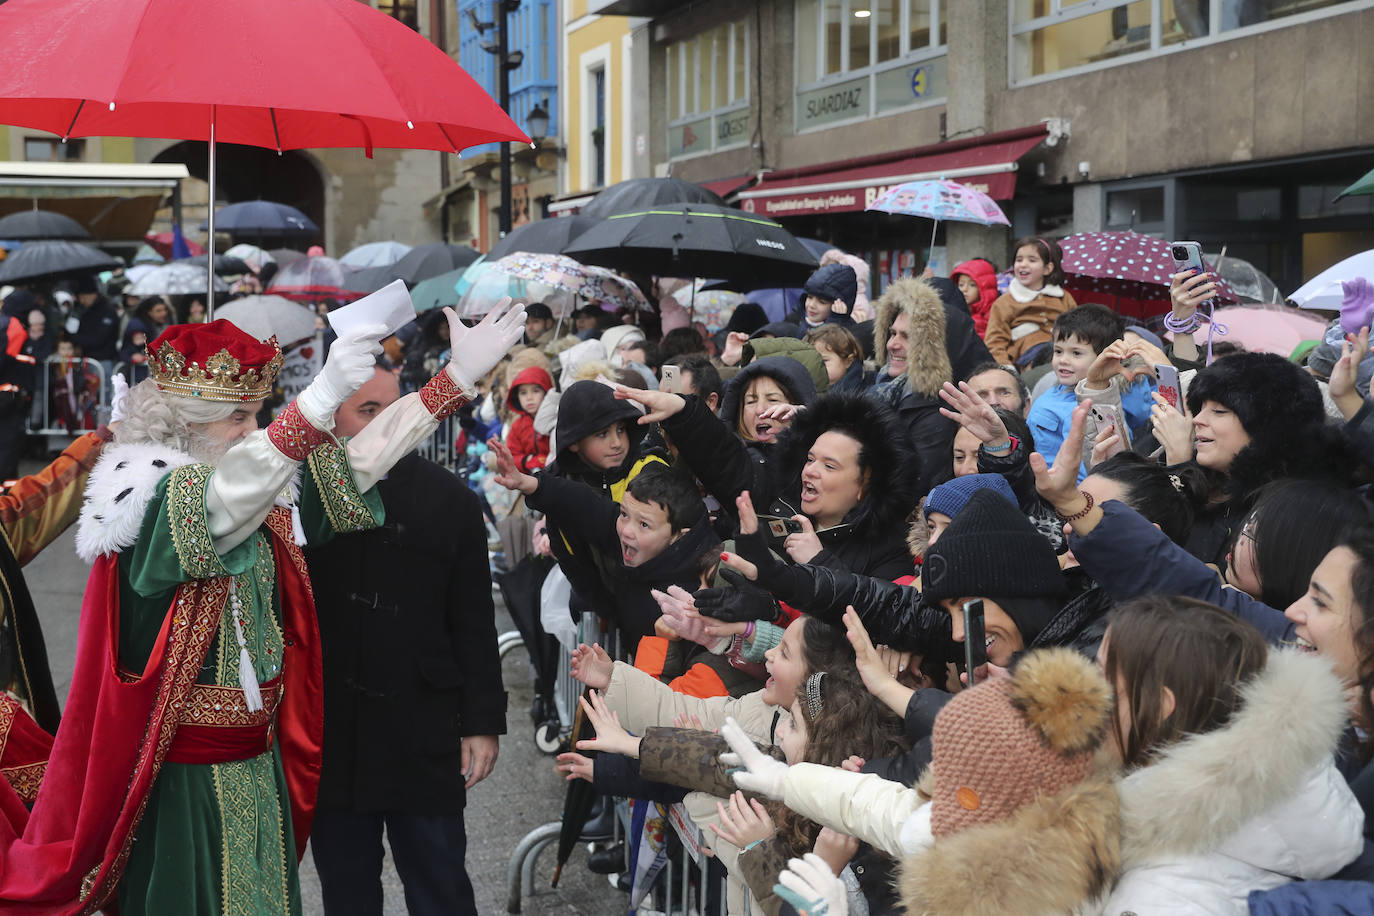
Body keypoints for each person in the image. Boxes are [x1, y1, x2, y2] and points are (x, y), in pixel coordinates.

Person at [0, 301, 524, 914]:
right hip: (184, 781)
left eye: (256, 415)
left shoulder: (253, 488)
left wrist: (451, 384)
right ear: (186, 425)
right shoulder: (151, 496)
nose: (252, 430)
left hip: (256, 758)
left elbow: (354, 465)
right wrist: (319, 398)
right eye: (237, 417)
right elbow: (231, 492)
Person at [304, 367, 506, 916]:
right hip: (335, 735)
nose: (386, 421)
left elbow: (473, 622)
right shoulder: (300, 497)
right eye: (368, 409)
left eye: (396, 406)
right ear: (331, 417)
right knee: (346, 895)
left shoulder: (451, 500)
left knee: (440, 887)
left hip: (425, 728)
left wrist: (482, 722)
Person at [718, 647, 1120, 916]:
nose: (938, 790)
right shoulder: (978, 827)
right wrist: (788, 781)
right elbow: (884, 808)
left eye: (959, 781)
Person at [1100, 597, 1363, 912]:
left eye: (1101, 677)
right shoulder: (1277, 801)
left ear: (1158, 707)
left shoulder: (1159, 899)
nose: (1081, 690)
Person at [869, 278, 992, 496]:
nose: (892, 344)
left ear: (934, 348)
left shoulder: (940, 414)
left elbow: (909, 489)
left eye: (907, 337)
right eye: (892, 333)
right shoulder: (882, 387)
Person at [1025, 306, 1156, 479]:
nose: (1063, 360)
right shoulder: (1052, 389)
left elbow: (1083, 466)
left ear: (1105, 359)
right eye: (1058, 351)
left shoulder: (1094, 408)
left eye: (1076, 353)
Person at [982, 237, 1076, 367]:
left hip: (1063, 352)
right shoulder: (1005, 302)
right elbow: (995, 343)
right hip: (1028, 358)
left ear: (1047, 268)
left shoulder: (1063, 297)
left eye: (1032, 260)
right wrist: (1007, 369)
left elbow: (1078, 328)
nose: (1023, 264)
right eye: (1019, 259)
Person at [787, 263, 857, 336]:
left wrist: (834, 324)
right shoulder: (798, 319)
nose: (811, 305)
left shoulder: (850, 333)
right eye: (809, 297)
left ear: (840, 305)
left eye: (822, 302)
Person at [505, 364, 553, 471]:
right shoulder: (517, 426)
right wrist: (527, 460)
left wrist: (543, 460)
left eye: (535, 391)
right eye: (523, 393)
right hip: (531, 478)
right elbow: (511, 457)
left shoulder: (555, 419)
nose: (529, 398)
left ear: (546, 392)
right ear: (516, 397)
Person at [803, 324, 867, 394]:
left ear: (848, 361)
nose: (815, 366)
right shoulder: (803, 389)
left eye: (824, 361)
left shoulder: (863, 391)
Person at [950, 258, 1000, 337]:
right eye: (961, 285)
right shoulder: (954, 311)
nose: (964, 289)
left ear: (984, 288)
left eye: (972, 285)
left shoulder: (993, 315)